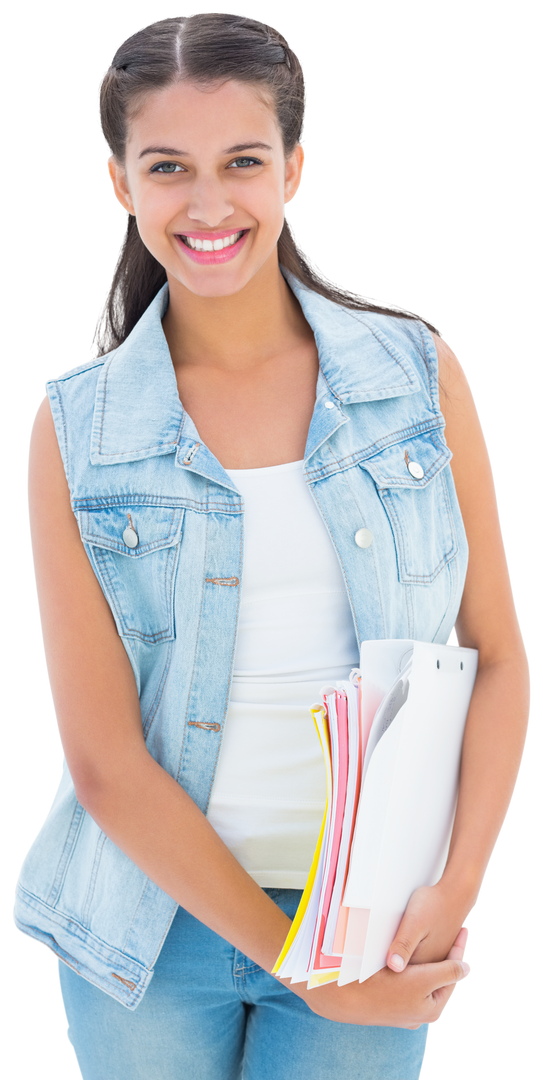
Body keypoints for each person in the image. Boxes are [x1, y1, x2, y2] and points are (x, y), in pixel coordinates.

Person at [11, 11, 532, 1080]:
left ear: (294, 167)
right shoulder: (78, 430)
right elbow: (105, 764)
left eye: (242, 161)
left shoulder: (417, 376)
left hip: (377, 914)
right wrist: (304, 967)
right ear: (120, 183)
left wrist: (453, 893)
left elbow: (499, 658)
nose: (208, 204)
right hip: (143, 937)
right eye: (168, 167)